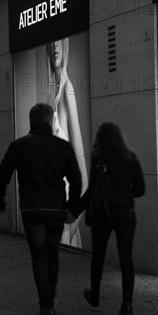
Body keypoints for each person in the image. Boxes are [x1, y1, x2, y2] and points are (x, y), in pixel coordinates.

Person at [0, 103, 82, 315]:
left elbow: (2, 175)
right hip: (56, 208)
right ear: (52, 120)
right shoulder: (63, 147)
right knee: (53, 254)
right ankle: (50, 299)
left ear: (31, 120)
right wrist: (72, 208)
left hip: (32, 208)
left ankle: (46, 308)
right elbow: (76, 180)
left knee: (39, 256)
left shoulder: (19, 146)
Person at [67, 122, 145, 315]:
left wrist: (74, 211)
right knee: (126, 259)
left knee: (98, 256)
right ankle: (127, 308)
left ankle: (94, 296)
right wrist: (125, 193)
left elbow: (92, 190)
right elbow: (140, 190)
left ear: (100, 139)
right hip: (126, 214)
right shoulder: (131, 158)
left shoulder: (98, 158)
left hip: (103, 214)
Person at [46, 38, 89, 247]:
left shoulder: (66, 90)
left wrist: (71, 229)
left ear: (66, 45)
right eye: (51, 42)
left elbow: (83, 174)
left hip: (65, 219)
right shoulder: (53, 94)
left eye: (59, 41)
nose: (55, 46)